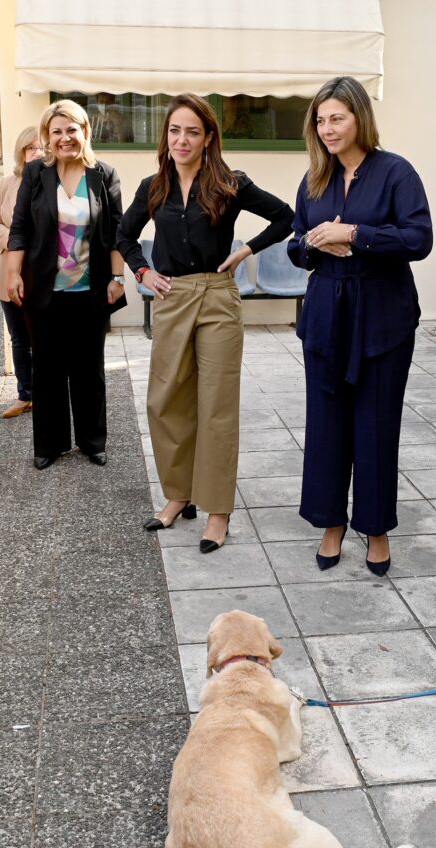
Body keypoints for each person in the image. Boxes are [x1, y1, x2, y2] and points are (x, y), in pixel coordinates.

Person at [116, 94, 294, 552]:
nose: (182, 139)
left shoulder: (230, 183)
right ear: (166, 136)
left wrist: (245, 251)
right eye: (175, 130)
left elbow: (285, 217)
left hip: (216, 297)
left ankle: (218, 510)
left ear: (208, 137)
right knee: (166, 400)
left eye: (192, 131)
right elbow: (121, 234)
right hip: (171, 297)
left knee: (215, 407)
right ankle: (179, 495)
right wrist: (142, 270)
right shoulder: (152, 186)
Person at [289, 76, 432, 576]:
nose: (328, 129)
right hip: (327, 315)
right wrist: (313, 244)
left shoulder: (396, 172)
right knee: (327, 426)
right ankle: (331, 523)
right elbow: (293, 244)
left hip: (382, 318)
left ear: (359, 118)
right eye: (321, 120)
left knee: (375, 427)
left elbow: (419, 238)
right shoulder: (314, 179)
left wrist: (354, 233)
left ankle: (375, 530)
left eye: (338, 118)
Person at [6, 100, 128, 470]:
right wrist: (13, 272)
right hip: (44, 289)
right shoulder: (34, 174)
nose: (64, 138)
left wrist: (118, 277)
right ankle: (50, 444)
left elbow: (117, 232)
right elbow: (20, 227)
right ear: (47, 136)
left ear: (85, 132)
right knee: (47, 368)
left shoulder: (104, 174)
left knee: (89, 367)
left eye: (71, 130)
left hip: (90, 289)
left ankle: (93, 441)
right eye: (56, 132)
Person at [0, 127, 43, 419]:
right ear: (22, 152)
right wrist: (16, 240)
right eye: (31, 148)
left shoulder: (54, 183)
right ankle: (25, 395)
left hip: (43, 274)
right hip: (8, 271)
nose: (37, 153)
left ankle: (49, 392)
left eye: (42, 147)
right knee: (19, 338)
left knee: (44, 337)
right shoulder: (9, 183)